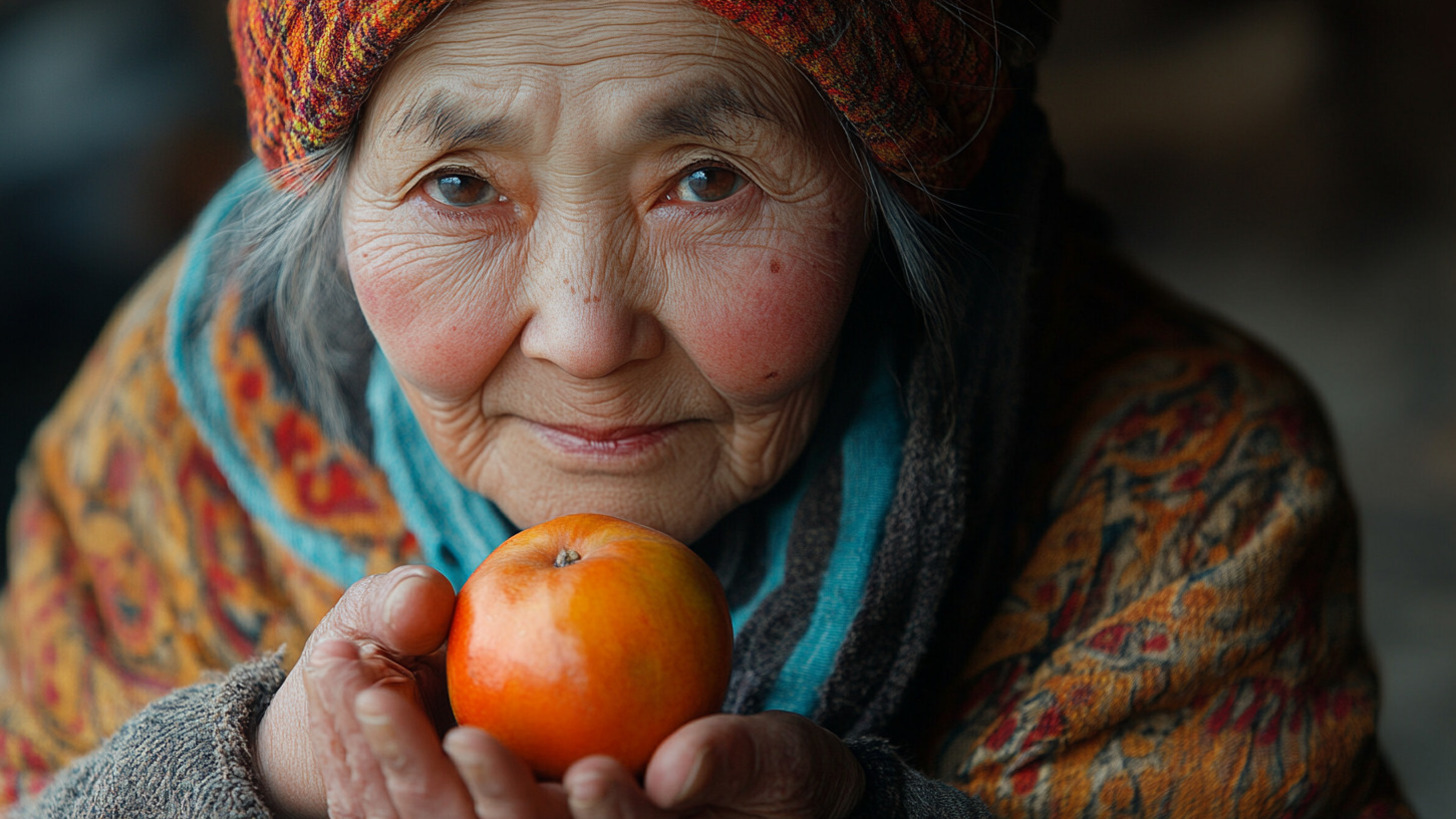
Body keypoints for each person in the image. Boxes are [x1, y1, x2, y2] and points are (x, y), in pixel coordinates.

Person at [0, 0, 1416, 816]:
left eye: (705, 179)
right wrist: (252, 785)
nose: (586, 333)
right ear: (337, 198)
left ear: (887, 195)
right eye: (458, 185)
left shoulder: (1187, 490)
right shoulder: (166, 451)